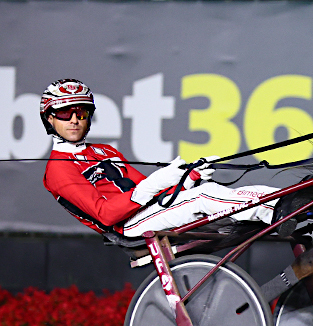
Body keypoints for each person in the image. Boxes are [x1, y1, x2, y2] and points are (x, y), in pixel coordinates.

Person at [41, 78, 277, 238]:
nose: (74, 119)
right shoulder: (58, 170)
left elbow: (148, 191)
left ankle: (289, 203)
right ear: (50, 119)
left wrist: (188, 178)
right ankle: (275, 212)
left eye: (80, 112)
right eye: (64, 112)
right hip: (128, 226)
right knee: (204, 197)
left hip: (147, 211)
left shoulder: (105, 151)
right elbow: (105, 215)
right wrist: (157, 182)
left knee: (208, 188)